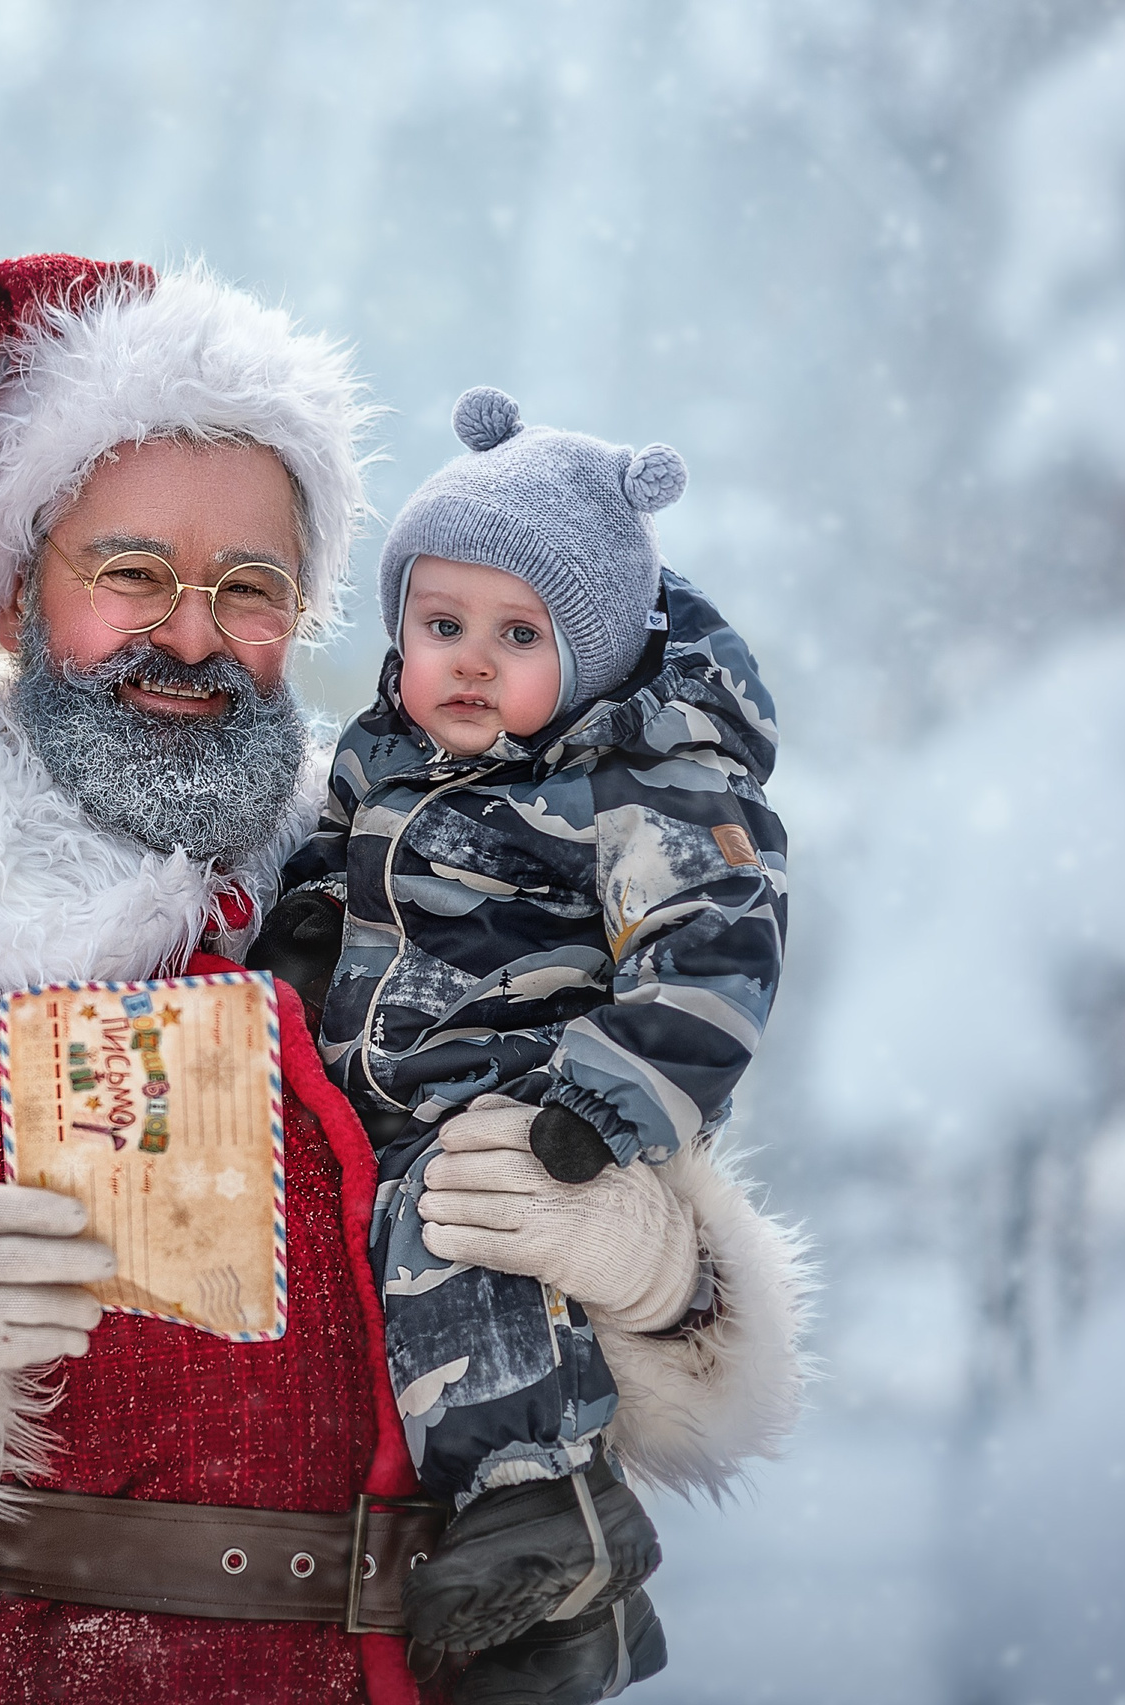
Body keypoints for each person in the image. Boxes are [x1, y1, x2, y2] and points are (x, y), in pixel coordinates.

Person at [0, 259, 810, 1705]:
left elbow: (603, 1274)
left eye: (250, 587)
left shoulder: (407, 891)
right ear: (22, 595)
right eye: (134, 572)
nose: (194, 631)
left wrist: (658, 1272)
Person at [252, 387, 795, 1694]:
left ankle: (545, 1499)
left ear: (595, 651)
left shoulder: (637, 783)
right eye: (443, 627)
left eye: (519, 634)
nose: (473, 662)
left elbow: (718, 940)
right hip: (388, 1096)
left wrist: (606, 1099)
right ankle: (551, 1608)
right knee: (392, 1292)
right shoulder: (385, 760)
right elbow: (344, 873)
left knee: (465, 1241)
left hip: (523, 1095)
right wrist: (307, 940)